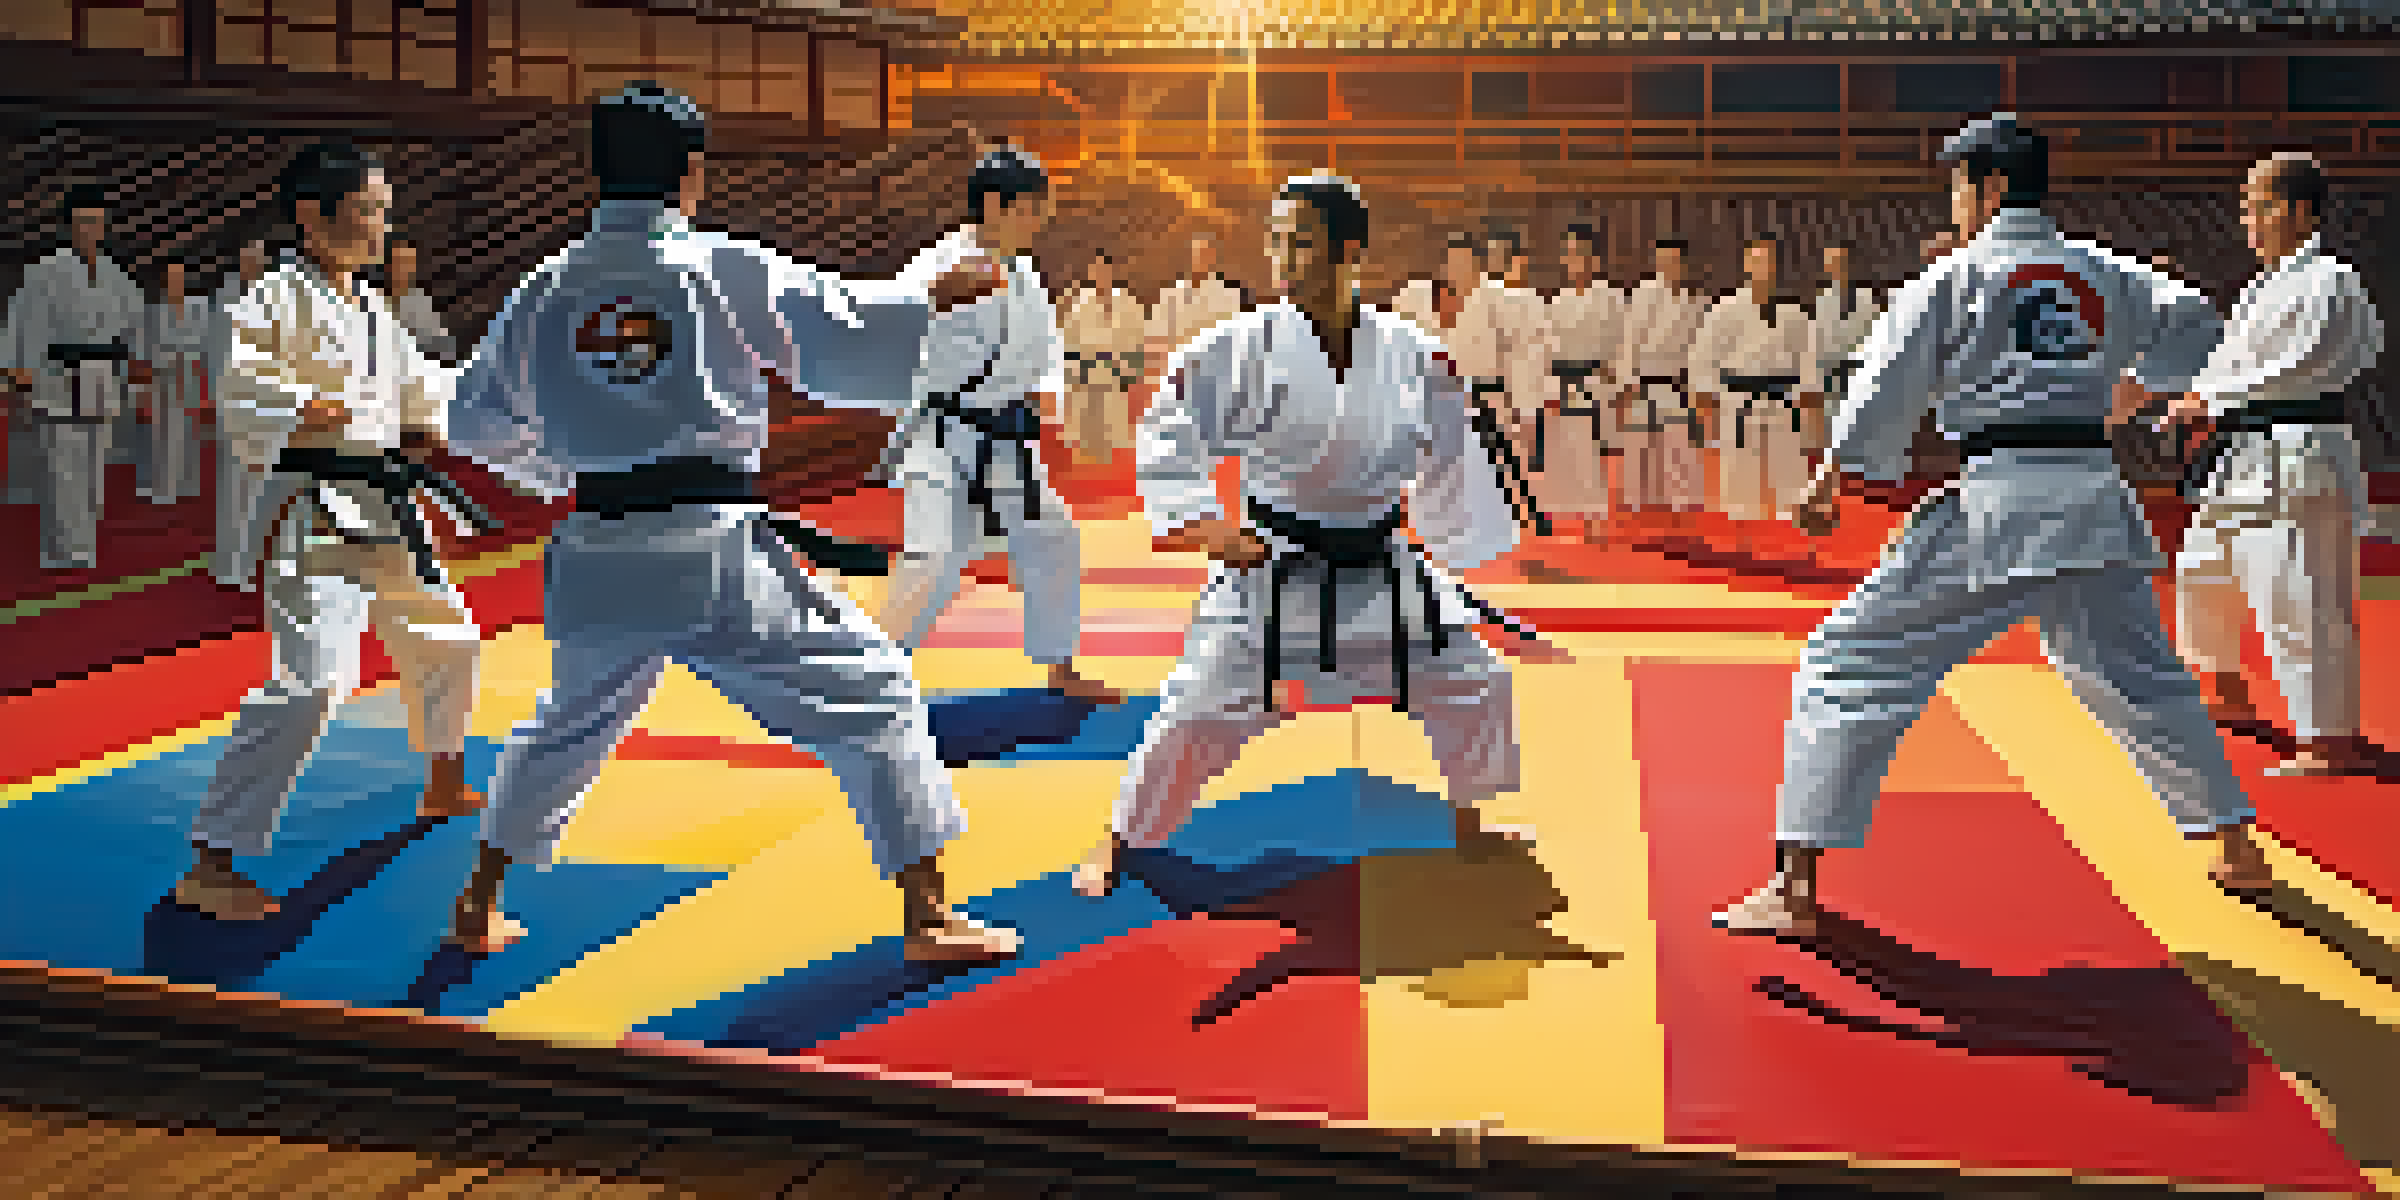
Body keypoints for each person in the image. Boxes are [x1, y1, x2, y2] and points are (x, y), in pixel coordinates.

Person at [444, 83, 1022, 959]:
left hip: (594, 547)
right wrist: (931, 300)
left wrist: (565, 469)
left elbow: (474, 424)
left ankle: (477, 902)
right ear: (691, 173)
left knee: (566, 727)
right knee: (876, 694)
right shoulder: (714, 265)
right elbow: (842, 336)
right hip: (706, 551)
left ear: (598, 173)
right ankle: (929, 916)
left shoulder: (547, 286)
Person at [1712, 116, 2273, 939]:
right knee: (2138, 675)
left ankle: (1794, 887)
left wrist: (1830, 477)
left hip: (2000, 503)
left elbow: (1883, 383)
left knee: (1851, 659)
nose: (1955, 203)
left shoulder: (1956, 276)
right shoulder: (2103, 271)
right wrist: (2128, 393)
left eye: (1959, 186)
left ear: (1990, 188)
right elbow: (2201, 331)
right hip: (2093, 496)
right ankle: (2235, 844)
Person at [1072, 175, 1533, 898]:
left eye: (1303, 243)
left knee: (1475, 682)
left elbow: (1452, 447)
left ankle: (1471, 821)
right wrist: (1203, 525)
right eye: (1277, 241)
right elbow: (1169, 424)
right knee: (1193, 712)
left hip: (1379, 564)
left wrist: (1450, 543)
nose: (1284, 258)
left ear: (1350, 251)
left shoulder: (1411, 352)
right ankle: (1122, 834)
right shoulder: (1240, 344)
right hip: (1275, 566)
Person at [175, 142, 496, 923]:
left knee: (450, 639)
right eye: (367, 210)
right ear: (312, 216)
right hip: (316, 509)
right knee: (314, 680)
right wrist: (302, 407)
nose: (381, 225)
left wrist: (449, 415)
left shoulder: (374, 309)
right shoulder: (273, 297)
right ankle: (212, 860)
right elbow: (240, 388)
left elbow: (424, 391)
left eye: (385, 210)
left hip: (385, 505)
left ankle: (444, 779)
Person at [879, 148, 1122, 705]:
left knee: (1053, 537)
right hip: (941, 436)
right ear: (994, 205)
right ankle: (874, 677)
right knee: (934, 559)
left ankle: (1060, 666)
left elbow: (1044, 352)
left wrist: (1045, 407)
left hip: (1006, 440)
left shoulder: (1025, 274)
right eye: (1031, 209)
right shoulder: (939, 267)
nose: (1039, 221)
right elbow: (888, 329)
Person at [2171, 152, 2385, 777]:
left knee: (2301, 597)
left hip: (2297, 451)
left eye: (2258, 207)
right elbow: (2226, 364)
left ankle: (2328, 738)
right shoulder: (2260, 288)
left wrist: (2211, 398)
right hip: (2240, 454)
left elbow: (2308, 363)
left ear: (2296, 211)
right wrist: (2195, 398)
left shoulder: (2330, 280)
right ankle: (2225, 692)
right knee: (2201, 573)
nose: (2248, 221)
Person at [4, 184, 152, 571]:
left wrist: (137, 360)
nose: (90, 230)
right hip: (59, 373)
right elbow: (25, 321)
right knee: (61, 461)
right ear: (70, 225)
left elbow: (136, 321)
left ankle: (82, 542)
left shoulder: (113, 274)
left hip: (99, 374)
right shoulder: (46, 271)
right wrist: (21, 369)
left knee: (92, 460)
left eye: (96, 222)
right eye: (83, 222)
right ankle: (62, 549)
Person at [1692, 234, 1816, 551]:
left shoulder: (1794, 313)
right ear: (1746, 264)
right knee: (1740, 475)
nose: (1763, 267)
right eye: (1757, 260)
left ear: (1777, 266)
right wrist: (1708, 397)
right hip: (1739, 401)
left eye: (1769, 260)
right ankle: (1742, 544)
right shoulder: (1725, 310)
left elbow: (1807, 362)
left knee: (1788, 474)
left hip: (1781, 401)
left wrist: (1806, 398)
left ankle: (1793, 545)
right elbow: (1702, 359)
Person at [1613, 237, 1711, 541]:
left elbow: (1701, 351)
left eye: (1673, 261)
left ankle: (1681, 522)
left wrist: (1698, 391)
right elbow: (1628, 341)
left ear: (1683, 264)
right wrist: (1625, 386)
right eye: (1662, 260)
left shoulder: (1696, 301)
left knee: (1679, 453)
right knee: (1640, 453)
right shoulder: (1642, 294)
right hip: (1643, 383)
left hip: (1677, 385)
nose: (1667, 266)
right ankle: (1639, 523)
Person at [1540, 222, 1625, 539]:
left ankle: (1597, 518)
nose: (1576, 261)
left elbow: (1622, 345)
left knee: (1594, 453)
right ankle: (1578, 518)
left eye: (1582, 254)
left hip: (1597, 381)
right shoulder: (1557, 302)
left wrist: (1617, 384)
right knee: (1571, 452)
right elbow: (1548, 350)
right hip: (1566, 382)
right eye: (1570, 254)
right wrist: (1550, 388)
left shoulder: (1611, 298)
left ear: (1595, 259)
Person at [213, 237, 274, 587]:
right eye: (250, 255)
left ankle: (250, 564)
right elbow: (217, 353)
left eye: (260, 257)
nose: (255, 263)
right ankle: (228, 564)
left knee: (259, 491)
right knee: (234, 490)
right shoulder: (226, 298)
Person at [138, 256, 213, 505]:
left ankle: (186, 484)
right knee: (163, 433)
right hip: (164, 374)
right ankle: (164, 486)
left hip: (189, 373)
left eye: (179, 276)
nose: (175, 281)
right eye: (171, 277)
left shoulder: (198, 307)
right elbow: (148, 347)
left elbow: (203, 343)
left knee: (187, 431)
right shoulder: (155, 311)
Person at [1060, 250, 1146, 464]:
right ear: (1091, 273)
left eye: (1104, 270)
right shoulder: (1079, 304)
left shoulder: (1128, 304)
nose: (1100, 275)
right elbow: (1068, 343)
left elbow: (1137, 342)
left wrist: (1124, 371)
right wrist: (1079, 370)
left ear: (1112, 272)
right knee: (1086, 439)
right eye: (1096, 270)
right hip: (1086, 377)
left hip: (1116, 376)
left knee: (1113, 439)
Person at [1144, 231, 1246, 389]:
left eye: (1205, 253)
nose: (1200, 258)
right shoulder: (1171, 295)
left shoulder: (1229, 296)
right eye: (1196, 253)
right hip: (1176, 376)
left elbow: (1237, 341)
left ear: (1214, 257)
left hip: (1217, 375)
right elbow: (1155, 338)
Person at [1809, 241, 1881, 457]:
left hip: (1859, 377)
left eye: (1840, 261)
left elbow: (1878, 343)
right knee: (1833, 439)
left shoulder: (1868, 301)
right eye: (1831, 262)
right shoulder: (1820, 302)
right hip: (1831, 379)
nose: (1836, 267)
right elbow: (1816, 347)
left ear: (1850, 264)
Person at [382, 236, 457, 364]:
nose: (406, 267)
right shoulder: (375, 298)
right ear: (388, 265)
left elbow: (444, 345)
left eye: (410, 262)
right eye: (400, 261)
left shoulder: (418, 297)